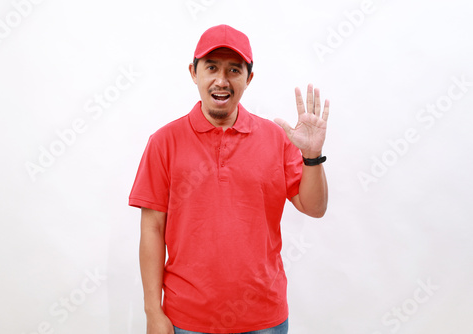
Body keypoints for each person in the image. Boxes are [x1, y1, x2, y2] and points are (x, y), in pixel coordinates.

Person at [129, 24, 330, 334]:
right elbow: (152, 228)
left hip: (265, 318)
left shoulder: (277, 138)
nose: (221, 81)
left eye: (233, 70)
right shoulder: (164, 142)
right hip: (187, 320)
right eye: (211, 67)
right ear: (193, 73)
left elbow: (314, 207)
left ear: (248, 79)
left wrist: (312, 157)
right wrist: (152, 311)